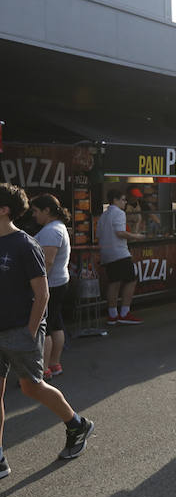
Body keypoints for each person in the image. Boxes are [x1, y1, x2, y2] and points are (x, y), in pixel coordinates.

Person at [0, 183, 94, 480]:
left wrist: (30, 332)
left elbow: (42, 294)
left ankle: (77, 424)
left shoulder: (25, 244)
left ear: (4, 210)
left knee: (31, 387)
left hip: (19, 329)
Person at [30, 194, 71, 380]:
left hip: (50, 284)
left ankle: (44, 369)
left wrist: (38, 286)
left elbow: (47, 262)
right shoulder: (57, 227)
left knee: (44, 327)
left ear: (47, 210)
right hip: (58, 282)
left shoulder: (51, 230)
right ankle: (54, 364)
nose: (33, 215)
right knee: (55, 324)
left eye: (35, 211)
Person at [97, 189, 145, 326]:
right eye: (123, 200)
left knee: (114, 282)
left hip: (106, 253)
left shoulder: (103, 216)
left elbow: (99, 235)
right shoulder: (119, 213)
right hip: (119, 252)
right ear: (115, 200)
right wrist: (137, 236)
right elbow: (120, 233)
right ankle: (124, 313)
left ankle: (112, 314)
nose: (125, 202)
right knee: (131, 279)